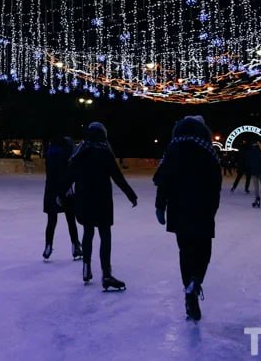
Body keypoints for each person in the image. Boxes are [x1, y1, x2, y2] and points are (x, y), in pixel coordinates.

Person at [153, 115, 221, 322]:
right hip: (202, 208)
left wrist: (160, 205)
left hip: (178, 208)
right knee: (203, 250)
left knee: (185, 250)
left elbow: (163, 179)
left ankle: (189, 289)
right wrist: (212, 209)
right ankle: (196, 279)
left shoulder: (173, 149)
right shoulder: (208, 150)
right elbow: (215, 183)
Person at [61, 122, 137, 291]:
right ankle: (106, 273)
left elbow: (70, 175)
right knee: (105, 234)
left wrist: (60, 194)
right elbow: (117, 176)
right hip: (102, 199)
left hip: (84, 198)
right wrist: (130, 194)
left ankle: (86, 266)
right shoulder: (105, 152)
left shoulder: (81, 152)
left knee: (88, 231)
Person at [42, 135, 80, 261]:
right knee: (70, 219)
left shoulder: (50, 151)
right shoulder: (67, 153)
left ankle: (48, 246)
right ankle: (75, 246)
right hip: (65, 188)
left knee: (51, 221)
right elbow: (71, 171)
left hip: (50, 189)